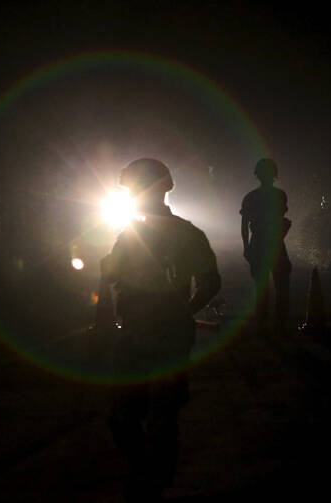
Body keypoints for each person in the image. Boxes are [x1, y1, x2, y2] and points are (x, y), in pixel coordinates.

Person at [101, 158, 221, 501]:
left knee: (153, 415)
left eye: (138, 188)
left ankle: (152, 480)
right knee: (135, 416)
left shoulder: (169, 233)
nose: (136, 194)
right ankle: (151, 476)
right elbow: (211, 282)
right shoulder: (139, 234)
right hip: (147, 330)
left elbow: (211, 281)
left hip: (159, 331)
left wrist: (181, 311)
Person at [240, 158, 292, 336]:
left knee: (261, 288)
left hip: (258, 243)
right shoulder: (280, 195)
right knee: (282, 286)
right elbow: (281, 220)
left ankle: (262, 327)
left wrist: (246, 247)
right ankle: (279, 326)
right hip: (276, 243)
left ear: (257, 174)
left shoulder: (250, 197)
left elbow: (244, 225)